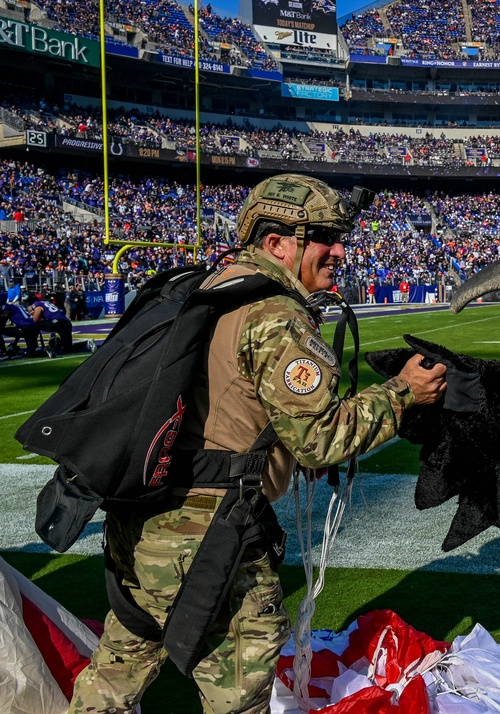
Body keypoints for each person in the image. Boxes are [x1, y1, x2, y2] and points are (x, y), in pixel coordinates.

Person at [69, 174, 448, 714]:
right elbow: (322, 438)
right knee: (239, 697)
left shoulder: (208, 288)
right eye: (323, 236)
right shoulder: (275, 314)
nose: (339, 250)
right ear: (276, 243)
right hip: (208, 535)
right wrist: (403, 393)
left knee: (114, 677)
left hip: (144, 524)